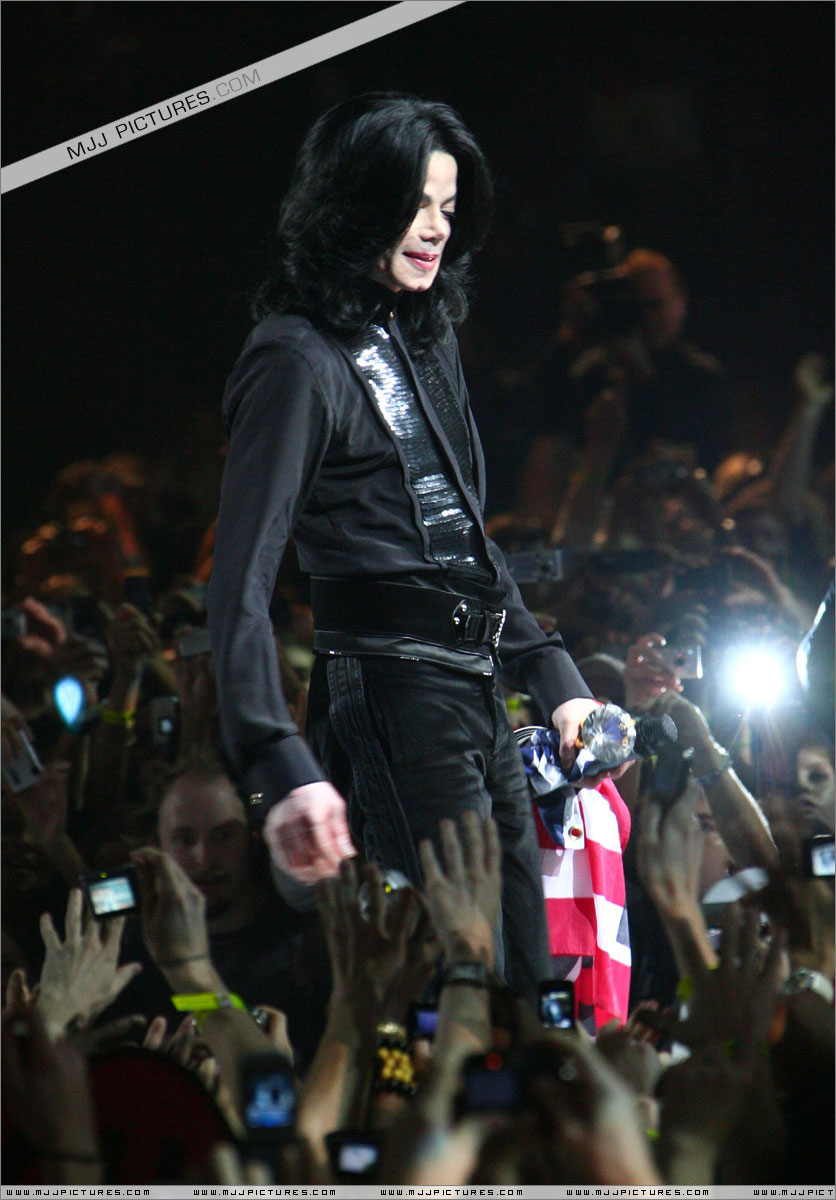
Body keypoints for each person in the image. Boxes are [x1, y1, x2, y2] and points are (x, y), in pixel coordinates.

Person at [207, 93, 613, 1005]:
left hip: (473, 690)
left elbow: (464, 543)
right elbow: (239, 579)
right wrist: (276, 759)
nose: (435, 229)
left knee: (524, 988)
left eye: (448, 208)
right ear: (355, 204)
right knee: (453, 988)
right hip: (389, 693)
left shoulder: (424, 333)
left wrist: (556, 680)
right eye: (415, 205)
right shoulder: (294, 359)